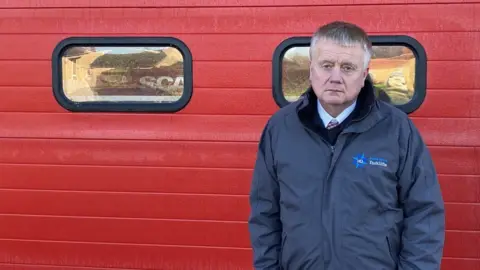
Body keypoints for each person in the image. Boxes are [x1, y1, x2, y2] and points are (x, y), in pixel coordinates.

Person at [248, 21, 445, 270]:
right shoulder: (280, 128)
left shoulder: (397, 130)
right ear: (311, 70)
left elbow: (424, 213)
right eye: (326, 65)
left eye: (348, 67)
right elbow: (265, 212)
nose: (335, 77)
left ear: (364, 76)